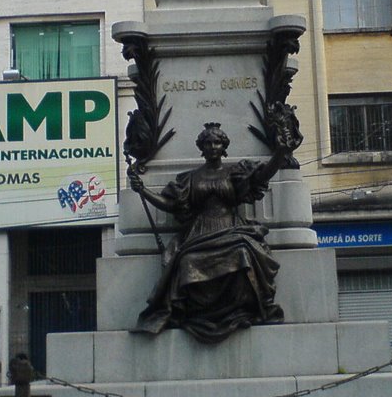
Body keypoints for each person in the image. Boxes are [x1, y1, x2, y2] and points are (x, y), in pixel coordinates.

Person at [128, 119, 299, 343]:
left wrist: (281, 153)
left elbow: (263, 175)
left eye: (217, 143)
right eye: (207, 144)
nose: (212, 147)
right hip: (199, 232)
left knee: (243, 253)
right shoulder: (190, 178)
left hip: (231, 228)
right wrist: (143, 190)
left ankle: (241, 310)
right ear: (201, 148)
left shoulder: (235, 173)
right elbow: (170, 204)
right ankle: (196, 314)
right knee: (187, 261)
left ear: (224, 146)